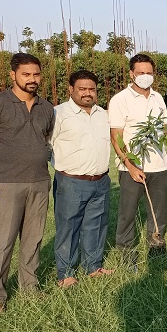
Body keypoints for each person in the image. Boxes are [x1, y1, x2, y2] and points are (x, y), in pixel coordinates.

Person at [0, 53, 54, 313]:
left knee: (33, 238)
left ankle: (29, 287)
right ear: (13, 75)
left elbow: (45, 138)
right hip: (8, 183)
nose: (32, 79)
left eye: (36, 74)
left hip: (39, 181)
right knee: (3, 241)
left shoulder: (46, 108)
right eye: (26, 74)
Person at [50, 69, 113, 288]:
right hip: (71, 182)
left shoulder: (103, 115)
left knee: (96, 225)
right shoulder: (58, 114)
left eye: (92, 89)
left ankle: (93, 267)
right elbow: (47, 145)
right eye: (82, 89)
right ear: (71, 89)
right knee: (68, 227)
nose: (87, 93)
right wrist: (62, 168)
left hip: (101, 181)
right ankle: (65, 273)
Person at [109, 53, 167, 264]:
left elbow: (164, 127)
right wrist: (130, 165)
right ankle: (126, 252)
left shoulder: (158, 98)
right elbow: (116, 136)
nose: (145, 76)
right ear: (131, 74)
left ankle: (156, 246)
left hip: (159, 165)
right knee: (128, 212)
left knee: (158, 211)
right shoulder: (120, 100)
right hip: (132, 167)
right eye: (141, 73)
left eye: (149, 73)